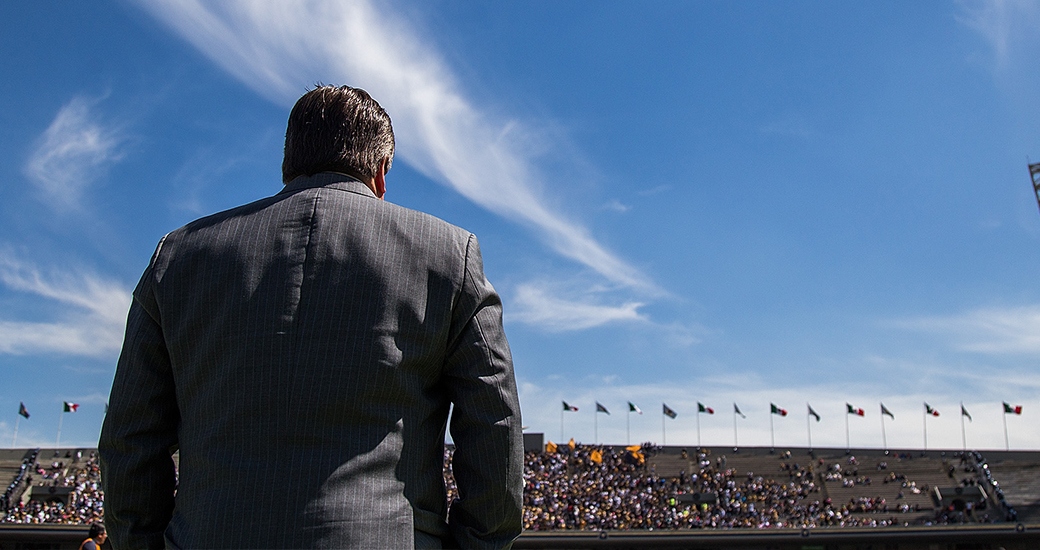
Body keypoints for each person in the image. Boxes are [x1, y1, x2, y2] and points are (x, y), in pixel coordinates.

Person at [100, 85, 523, 549]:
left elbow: (129, 437)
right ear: (381, 173)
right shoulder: (448, 254)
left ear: (288, 163)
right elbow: (494, 428)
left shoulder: (179, 255)